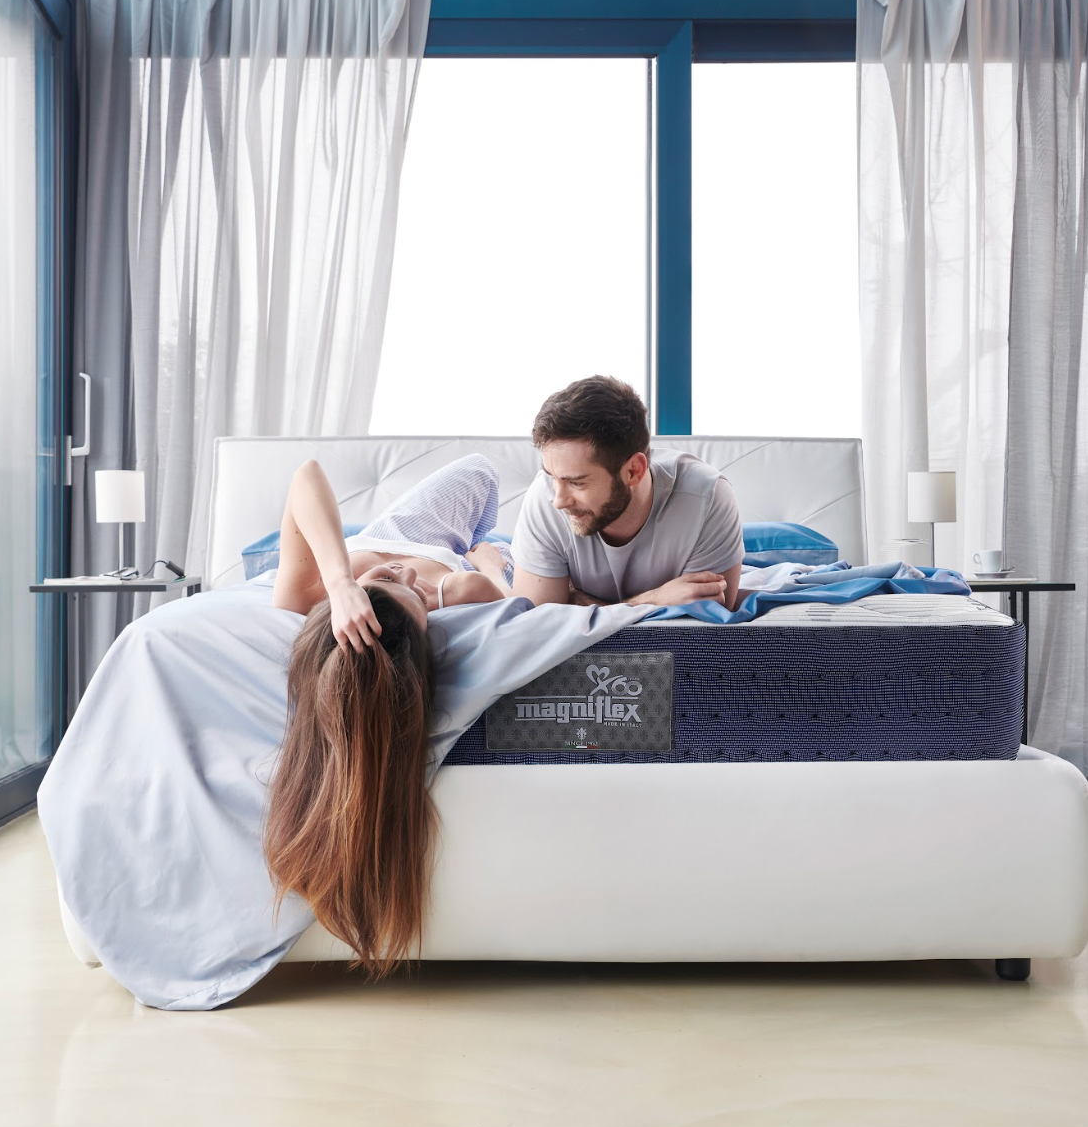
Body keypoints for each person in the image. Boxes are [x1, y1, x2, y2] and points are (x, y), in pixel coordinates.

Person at [264, 453, 512, 977]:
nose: (406, 575)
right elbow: (518, 600)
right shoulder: (456, 592)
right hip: (456, 560)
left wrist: (342, 582)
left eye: (391, 583)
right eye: (414, 593)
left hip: (403, 532)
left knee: (480, 472)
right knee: (486, 487)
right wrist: (485, 569)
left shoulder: (304, 596)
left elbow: (306, 472)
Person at [511, 375, 745, 610]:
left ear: (634, 471)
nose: (559, 501)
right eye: (551, 476)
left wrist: (578, 601)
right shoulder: (544, 496)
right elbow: (536, 625)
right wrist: (654, 600)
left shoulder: (706, 499)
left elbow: (700, 632)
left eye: (577, 483)